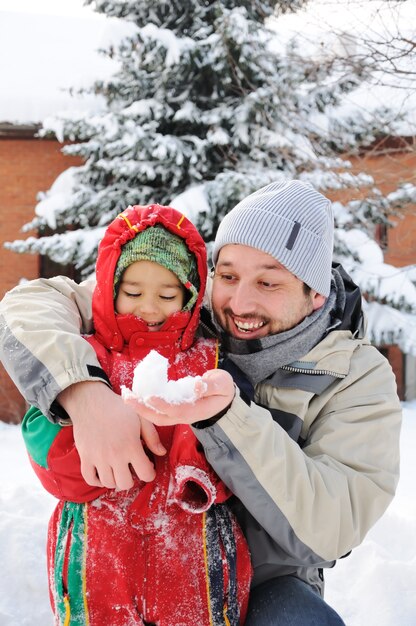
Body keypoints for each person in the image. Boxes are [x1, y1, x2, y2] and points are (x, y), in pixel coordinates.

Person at [0, 180, 402, 625]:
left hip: (269, 580)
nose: (239, 302)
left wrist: (226, 418)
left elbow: (331, 528)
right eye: (228, 275)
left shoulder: (356, 375)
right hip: (141, 554)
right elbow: (32, 305)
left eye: (269, 282)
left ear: (316, 292)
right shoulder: (180, 302)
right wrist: (84, 393)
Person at [19, 204, 252, 626]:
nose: (149, 307)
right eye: (132, 291)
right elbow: (46, 452)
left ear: (190, 295)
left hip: (192, 559)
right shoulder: (85, 360)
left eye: (167, 295)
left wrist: (193, 463)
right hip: (98, 556)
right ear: (109, 289)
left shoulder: (212, 362)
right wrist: (95, 450)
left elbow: (240, 447)